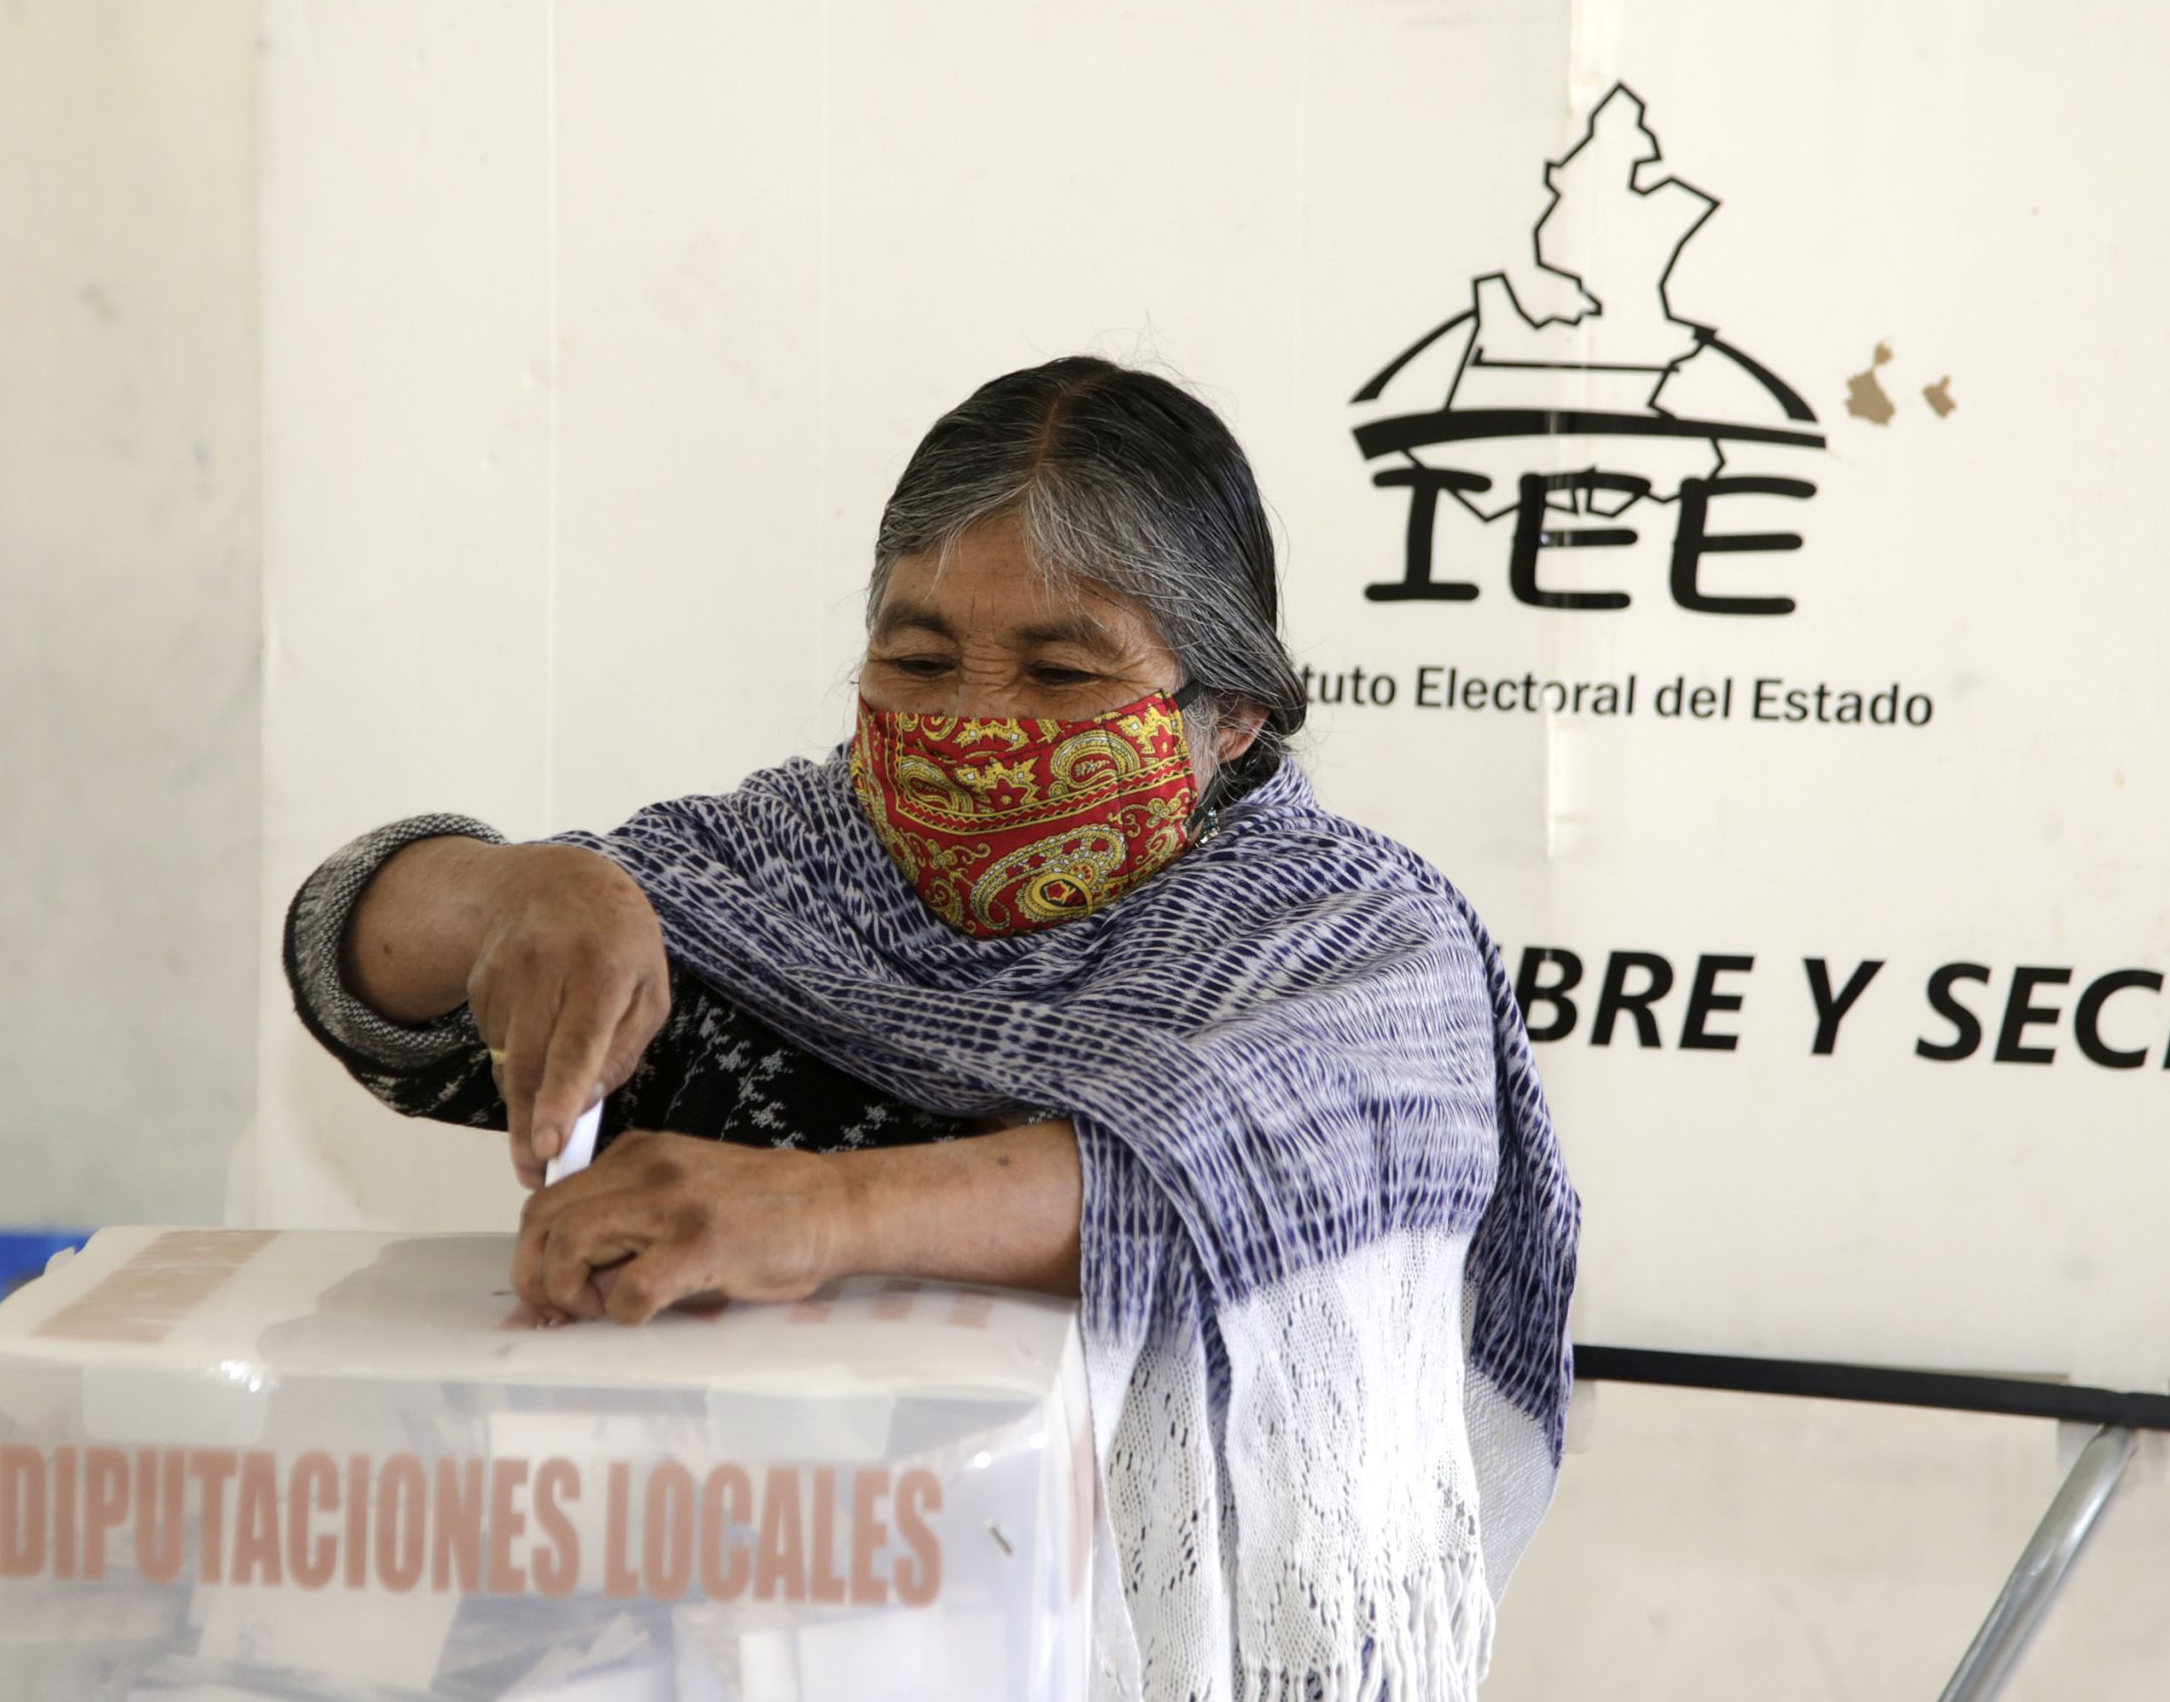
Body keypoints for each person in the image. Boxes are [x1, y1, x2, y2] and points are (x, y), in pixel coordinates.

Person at [284, 356, 1579, 1698]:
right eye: (918, 658)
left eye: (1063, 672)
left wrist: (820, 1214)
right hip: (708, 1636)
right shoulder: (773, 873)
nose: (974, 725)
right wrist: (513, 891)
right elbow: (361, 955)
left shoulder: (1356, 936)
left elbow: (1240, 1176)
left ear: (1233, 712)